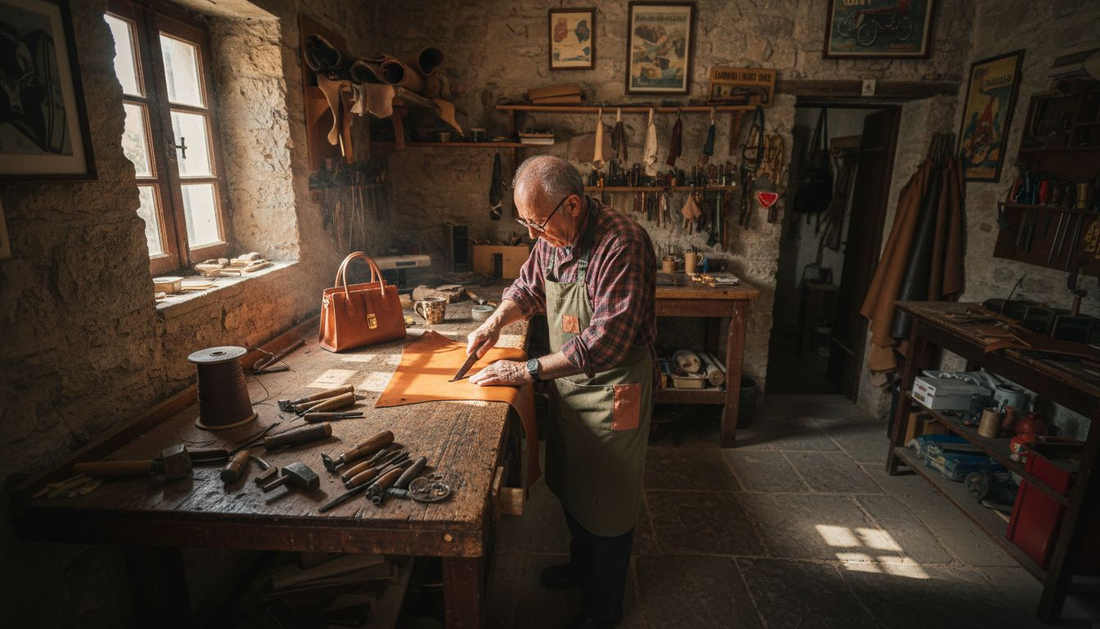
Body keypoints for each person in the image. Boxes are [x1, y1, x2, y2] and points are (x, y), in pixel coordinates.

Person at [467, 156, 657, 629]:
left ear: (572, 205)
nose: (533, 235)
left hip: (614, 389)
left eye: (537, 223)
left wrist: (526, 369)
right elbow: (528, 288)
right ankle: (580, 567)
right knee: (574, 481)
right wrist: (493, 322)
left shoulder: (621, 244)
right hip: (570, 383)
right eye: (524, 222)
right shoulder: (553, 238)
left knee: (608, 499)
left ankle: (603, 608)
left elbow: (605, 343)